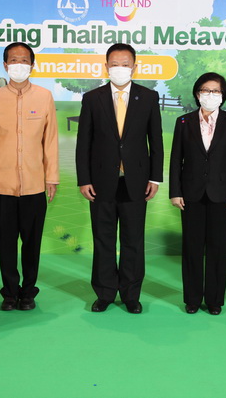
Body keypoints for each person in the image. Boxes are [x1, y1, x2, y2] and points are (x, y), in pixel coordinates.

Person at [76, 43, 164, 314]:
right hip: (101, 181)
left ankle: (130, 295)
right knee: (103, 239)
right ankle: (104, 293)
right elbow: (83, 142)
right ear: (106, 67)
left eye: (125, 64)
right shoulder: (93, 98)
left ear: (134, 67)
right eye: (114, 64)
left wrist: (155, 178)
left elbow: (156, 141)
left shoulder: (148, 97)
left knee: (133, 241)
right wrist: (84, 179)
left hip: (136, 181)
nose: (120, 69)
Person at [0, 42, 59, 311]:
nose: (19, 65)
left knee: (32, 244)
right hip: (2, 187)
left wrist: (51, 177)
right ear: (5, 65)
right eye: (14, 60)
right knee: (6, 244)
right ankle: (10, 293)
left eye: (24, 60)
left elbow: (51, 141)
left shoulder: (44, 97)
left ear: (32, 65)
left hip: (35, 186)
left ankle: (28, 292)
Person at [169, 72, 226, 315]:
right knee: (191, 248)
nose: (210, 95)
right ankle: (192, 299)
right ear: (197, 93)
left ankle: (214, 300)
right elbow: (175, 160)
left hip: (221, 195)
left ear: (223, 95)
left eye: (215, 91)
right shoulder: (184, 122)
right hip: (190, 194)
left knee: (217, 248)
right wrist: (175, 191)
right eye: (205, 90)